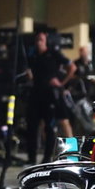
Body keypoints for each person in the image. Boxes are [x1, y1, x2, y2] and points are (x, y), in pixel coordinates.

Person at [22, 30, 75, 162]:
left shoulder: (53, 54)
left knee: (57, 124)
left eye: (41, 39)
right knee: (32, 126)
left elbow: (72, 67)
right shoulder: (32, 55)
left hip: (52, 94)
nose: (39, 42)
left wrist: (61, 83)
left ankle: (64, 154)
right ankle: (32, 157)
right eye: (37, 39)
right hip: (36, 93)